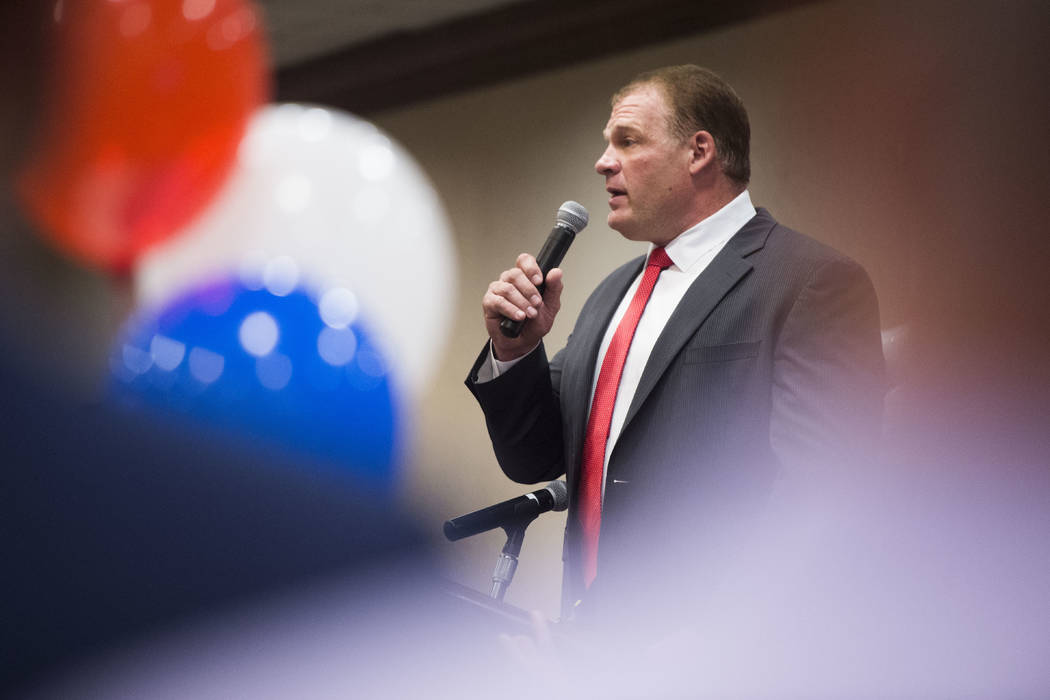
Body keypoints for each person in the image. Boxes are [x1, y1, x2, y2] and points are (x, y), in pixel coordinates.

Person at [465, 65, 885, 622]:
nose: (603, 162)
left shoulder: (810, 280)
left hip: (723, 646)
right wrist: (515, 351)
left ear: (699, 152)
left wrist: (707, 641)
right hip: (589, 636)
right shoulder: (612, 294)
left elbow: (822, 495)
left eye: (627, 141)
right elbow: (534, 456)